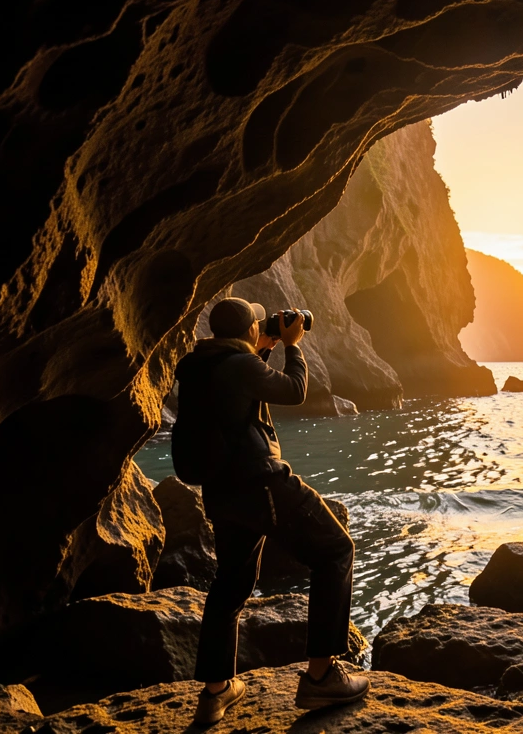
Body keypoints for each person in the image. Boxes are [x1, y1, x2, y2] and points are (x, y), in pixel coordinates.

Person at [171, 297, 369, 726]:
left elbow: (236, 398)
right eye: (258, 325)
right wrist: (293, 345)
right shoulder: (240, 366)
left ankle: (216, 692)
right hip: (261, 483)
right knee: (336, 550)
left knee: (232, 583)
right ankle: (321, 677)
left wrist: (260, 347)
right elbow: (295, 391)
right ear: (246, 331)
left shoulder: (202, 368)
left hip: (222, 493)